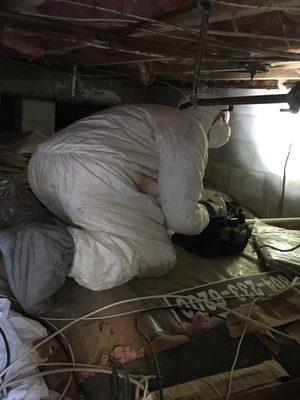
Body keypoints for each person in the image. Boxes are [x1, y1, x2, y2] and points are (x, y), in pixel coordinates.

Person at [28, 103, 231, 291]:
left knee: (91, 227)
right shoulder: (190, 130)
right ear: (218, 115)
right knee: (158, 255)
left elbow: (156, 189)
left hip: (40, 165)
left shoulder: (162, 118)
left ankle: (27, 232)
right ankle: (58, 250)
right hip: (87, 173)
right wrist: (209, 210)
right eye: (227, 117)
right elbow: (182, 220)